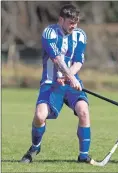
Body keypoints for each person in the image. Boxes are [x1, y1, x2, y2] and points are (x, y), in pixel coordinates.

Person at [21, 4, 92, 164]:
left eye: (76, 22)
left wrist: (71, 77)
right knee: (40, 116)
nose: (73, 26)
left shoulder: (80, 35)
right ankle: (35, 147)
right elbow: (57, 59)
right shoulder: (49, 33)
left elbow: (79, 60)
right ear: (61, 20)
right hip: (50, 84)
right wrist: (70, 77)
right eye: (70, 22)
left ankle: (83, 156)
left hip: (72, 84)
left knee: (84, 111)